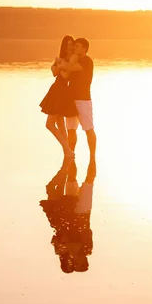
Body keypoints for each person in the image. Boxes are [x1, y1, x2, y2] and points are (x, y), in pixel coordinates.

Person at [58, 38, 97, 194]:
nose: (75, 48)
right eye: (74, 46)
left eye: (78, 47)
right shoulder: (73, 60)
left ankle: (92, 157)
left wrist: (60, 64)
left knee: (88, 129)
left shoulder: (86, 61)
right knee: (71, 129)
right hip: (71, 100)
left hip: (83, 100)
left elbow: (69, 68)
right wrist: (62, 64)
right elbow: (65, 72)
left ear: (85, 48)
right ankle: (71, 155)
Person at [39, 36, 77, 173]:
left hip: (62, 91)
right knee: (59, 123)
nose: (70, 47)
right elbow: (55, 73)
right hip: (56, 89)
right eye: (67, 45)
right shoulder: (62, 58)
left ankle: (67, 150)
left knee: (49, 124)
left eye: (71, 45)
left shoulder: (73, 58)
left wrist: (59, 64)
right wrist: (59, 65)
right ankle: (67, 152)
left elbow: (66, 75)